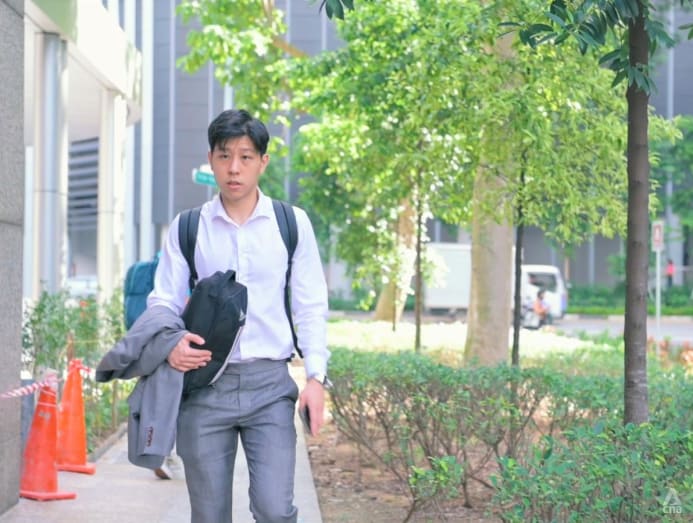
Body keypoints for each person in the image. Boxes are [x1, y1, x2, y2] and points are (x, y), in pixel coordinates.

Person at [148, 109, 330, 522]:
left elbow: (310, 304)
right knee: (209, 515)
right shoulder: (188, 227)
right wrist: (171, 344)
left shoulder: (291, 224)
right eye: (224, 155)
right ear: (210, 159)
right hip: (204, 387)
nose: (234, 168)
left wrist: (316, 377)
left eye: (245, 157)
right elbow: (163, 301)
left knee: (274, 510)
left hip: (270, 388)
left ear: (263, 162)